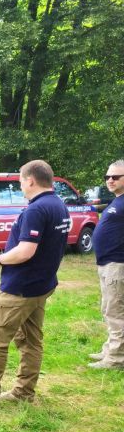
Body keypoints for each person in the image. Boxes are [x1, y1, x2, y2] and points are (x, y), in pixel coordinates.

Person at [0, 160, 71, 405]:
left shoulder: (36, 209)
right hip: (42, 285)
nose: (20, 185)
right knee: (31, 341)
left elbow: (25, 251)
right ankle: (24, 392)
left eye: (21, 180)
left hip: (20, 288)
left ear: (30, 180)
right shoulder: (59, 206)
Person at [88, 159, 124, 371]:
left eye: (115, 177)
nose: (109, 180)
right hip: (107, 264)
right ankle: (110, 349)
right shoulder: (117, 200)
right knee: (109, 308)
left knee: (116, 312)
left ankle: (117, 359)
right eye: (107, 177)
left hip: (117, 265)